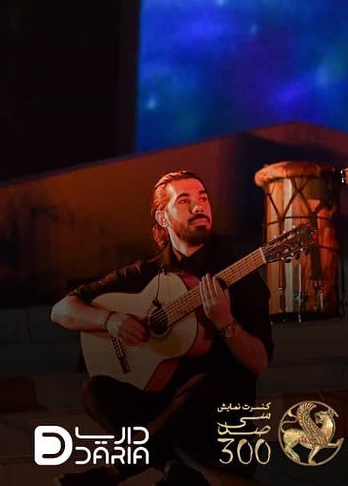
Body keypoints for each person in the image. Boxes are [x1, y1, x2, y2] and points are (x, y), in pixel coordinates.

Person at [50, 170, 273, 486]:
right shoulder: (145, 274)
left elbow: (260, 363)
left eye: (204, 199)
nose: (199, 207)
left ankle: (115, 472)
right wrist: (111, 320)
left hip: (214, 418)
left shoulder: (239, 273)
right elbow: (61, 311)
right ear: (162, 217)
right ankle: (173, 467)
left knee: (205, 383)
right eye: (185, 201)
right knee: (95, 390)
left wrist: (225, 322)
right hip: (158, 409)